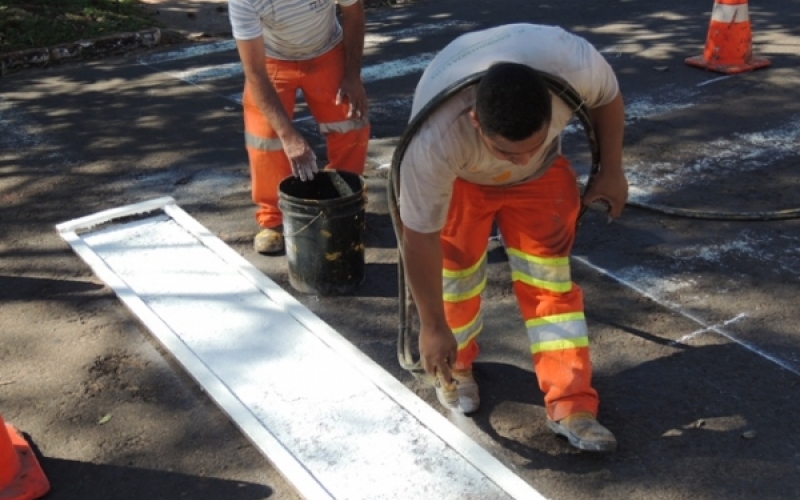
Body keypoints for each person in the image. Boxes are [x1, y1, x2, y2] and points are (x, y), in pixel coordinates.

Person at [398, 24, 628, 453]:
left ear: (551, 107)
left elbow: (608, 96)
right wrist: (431, 326)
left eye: (532, 144)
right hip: (463, 178)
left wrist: (610, 168)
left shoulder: (570, 66)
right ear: (475, 121)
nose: (519, 159)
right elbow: (419, 238)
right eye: (507, 151)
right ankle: (457, 366)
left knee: (550, 284)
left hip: (542, 181)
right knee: (457, 276)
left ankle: (571, 401)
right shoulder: (434, 141)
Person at [228, 0, 370, 254]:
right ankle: (273, 218)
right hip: (272, 60)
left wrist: (351, 76)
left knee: (351, 121)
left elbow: (354, 15)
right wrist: (287, 134)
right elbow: (256, 73)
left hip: (327, 51)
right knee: (266, 138)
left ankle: (343, 206)